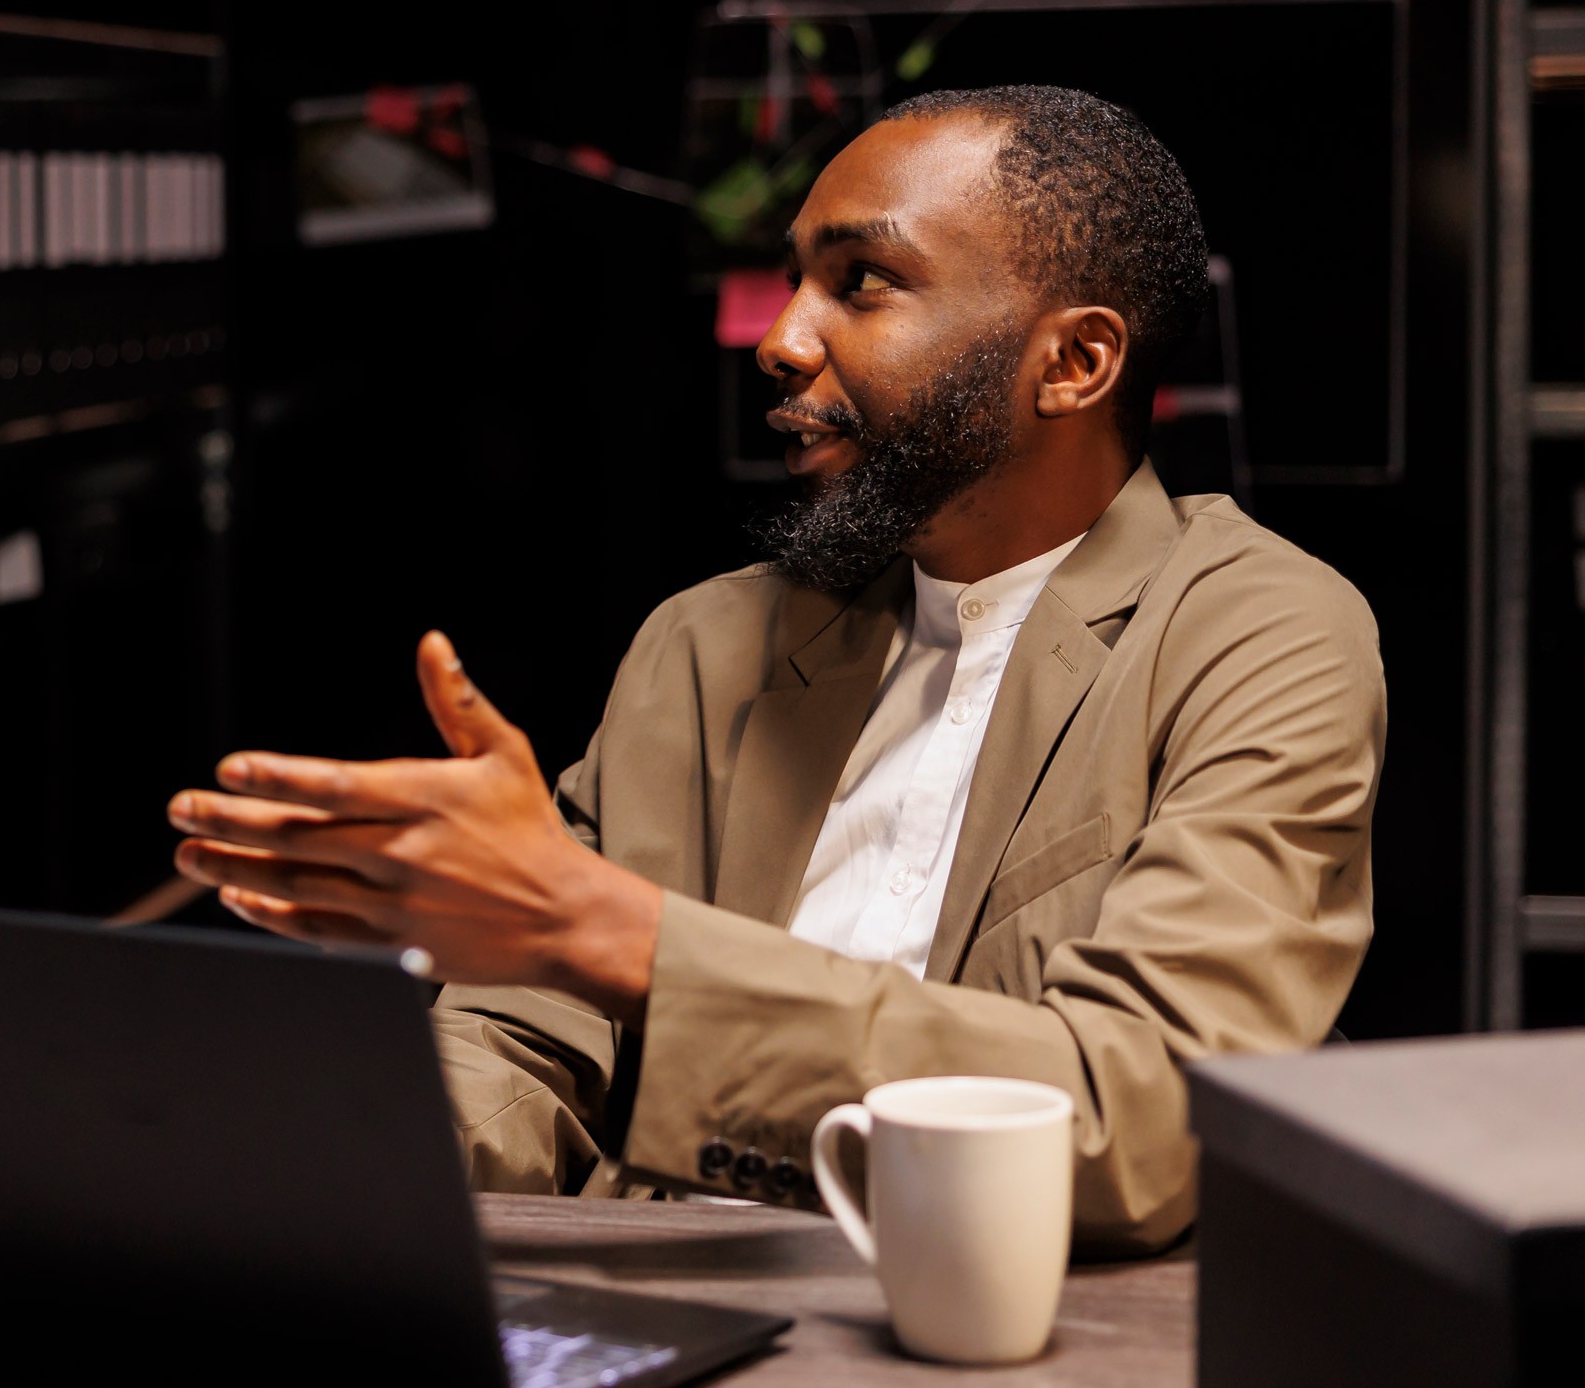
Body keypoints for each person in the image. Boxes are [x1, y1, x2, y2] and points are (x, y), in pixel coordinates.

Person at [167, 87, 1380, 1255]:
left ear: (1072, 362)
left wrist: (623, 941)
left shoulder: (1254, 634)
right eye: (792, 279)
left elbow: (1139, 1117)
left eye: (861, 283)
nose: (780, 339)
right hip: (663, 1301)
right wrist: (316, 1168)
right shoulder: (707, 645)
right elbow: (526, 1041)